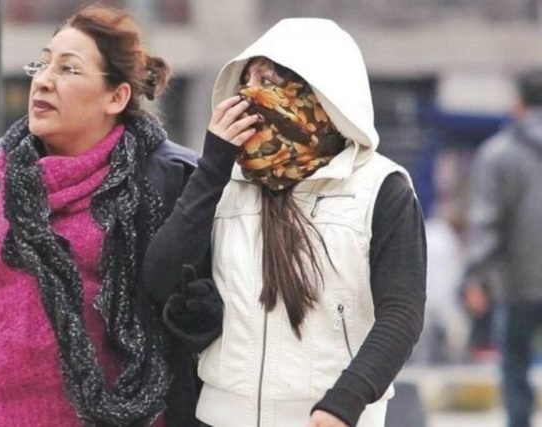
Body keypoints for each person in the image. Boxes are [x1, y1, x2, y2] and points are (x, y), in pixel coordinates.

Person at [0, 5, 201, 427]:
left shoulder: (168, 181)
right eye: (43, 64)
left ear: (116, 97)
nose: (44, 80)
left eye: (68, 69)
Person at [143, 18, 427, 427]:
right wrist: (213, 168)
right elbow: (159, 279)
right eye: (246, 82)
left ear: (321, 94)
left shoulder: (381, 187)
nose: (251, 96)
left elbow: (402, 314)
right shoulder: (222, 181)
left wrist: (344, 403)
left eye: (269, 82)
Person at [461, 68, 542, 427]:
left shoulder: (498, 154)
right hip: (517, 282)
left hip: (517, 284)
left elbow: (487, 224)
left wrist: (474, 277)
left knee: (514, 368)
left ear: (518, 105)